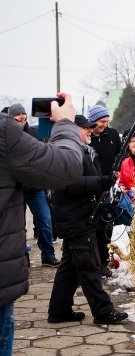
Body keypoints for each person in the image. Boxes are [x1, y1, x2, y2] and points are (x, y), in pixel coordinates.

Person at [1, 94, 84, 356]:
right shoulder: (5, 134)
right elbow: (66, 165)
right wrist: (65, 123)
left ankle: (47, 253)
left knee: (46, 226)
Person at [47, 115, 129, 326]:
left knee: (70, 267)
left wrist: (104, 181)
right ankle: (103, 311)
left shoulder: (82, 151)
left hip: (80, 215)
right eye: (85, 128)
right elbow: (68, 184)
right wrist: (100, 182)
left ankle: (59, 310)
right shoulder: (68, 152)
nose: (89, 131)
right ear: (73, 130)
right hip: (75, 218)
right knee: (89, 266)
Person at [8, 103, 60, 268]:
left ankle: (48, 255)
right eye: (17, 118)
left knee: (45, 221)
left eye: (24, 117)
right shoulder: (6, 137)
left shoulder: (35, 134)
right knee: (19, 226)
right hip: (16, 189)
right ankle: (23, 255)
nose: (21, 121)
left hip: (35, 188)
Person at [87, 104, 121, 276]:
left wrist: (117, 170)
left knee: (106, 226)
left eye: (107, 121)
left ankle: (102, 261)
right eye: (101, 121)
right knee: (92, 225)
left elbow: (120, 155)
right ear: (93, 121)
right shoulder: (87, 137)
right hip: (92, 186)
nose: (105, 125)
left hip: (109, 187)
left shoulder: (113, 135)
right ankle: (91, 260)